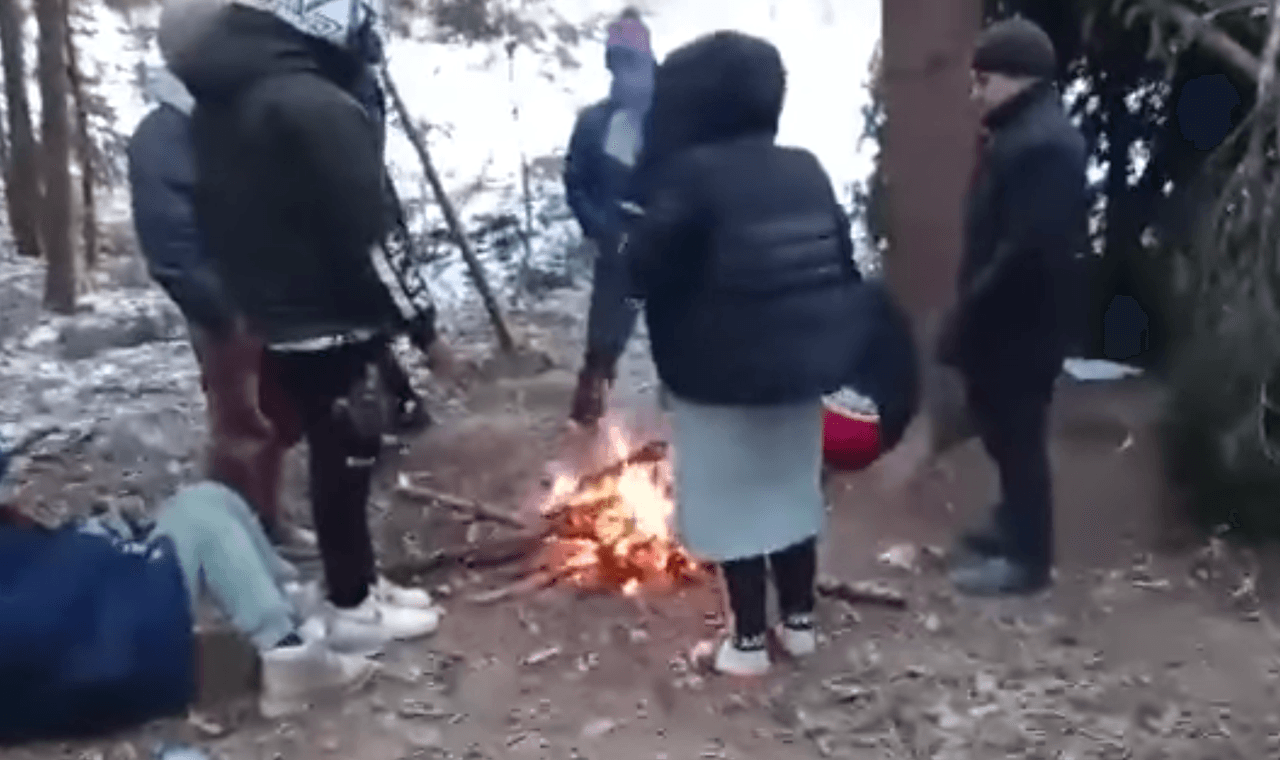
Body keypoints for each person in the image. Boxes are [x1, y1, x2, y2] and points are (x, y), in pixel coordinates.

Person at [162, 0, 443, 650]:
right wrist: (423, 327)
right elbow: (372, 232)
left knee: (331, 448)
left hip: (280, 309)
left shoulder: (226, 100)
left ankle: (357, 582)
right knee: (349, 455)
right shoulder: (316, 105)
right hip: (335, 312)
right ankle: (351, 605)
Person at [625, 31, 863, 676]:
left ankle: (747, 644)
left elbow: (640, 267)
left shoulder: (689, 175)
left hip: (718, 378)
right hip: (803, 370)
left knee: (734, 510)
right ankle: (802, 623)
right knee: (791, 497)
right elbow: (845, 266)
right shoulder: (807, 166)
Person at [0, 481, 376, 742]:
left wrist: (104, 534)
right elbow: (46, 617)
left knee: (208, 498)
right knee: (203, 517)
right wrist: (104, 546)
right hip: (119, 654)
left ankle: (296, 608)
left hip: (102, 630)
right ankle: (288, 652)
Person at [127, 51, 317, 556]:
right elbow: (169, 241)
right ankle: (236, 537)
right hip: (225, 309)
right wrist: (223, 311)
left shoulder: (235, 121)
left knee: (276, 418)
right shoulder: (164, 135)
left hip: (274, 298)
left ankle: (266, 521)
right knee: (240, 427)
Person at [938, 16, 1088, 596]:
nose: (976, 93)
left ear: (1018, 78)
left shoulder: (1044, 143)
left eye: (984, 80)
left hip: (1023, 322)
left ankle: (1029, 562)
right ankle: (1011, 525)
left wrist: (969, 312)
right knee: (1000, 430)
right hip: (1004, 318)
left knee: (1019, 435)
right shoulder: (1018, 131)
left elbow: (1029, 249)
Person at [563, 7, 656, 425]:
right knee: (602, 343)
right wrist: (601, 228)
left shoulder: (678, 120)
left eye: (632, 64)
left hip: (669, 243)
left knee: (692, 341)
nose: (625, 75)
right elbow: (575, 182)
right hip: (616, 243)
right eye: (617, 65)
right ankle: (586, 423)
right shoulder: (594, 122)